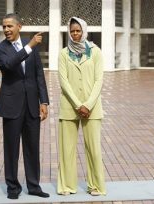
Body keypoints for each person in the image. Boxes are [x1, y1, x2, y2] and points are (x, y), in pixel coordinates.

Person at [0, 13, 50, 200]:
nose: (6, 30)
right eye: (4, 27)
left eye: (10, 26)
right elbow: (8, 65)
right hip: (11, 105)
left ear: (19, 26)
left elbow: (38, 74)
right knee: (11, 149)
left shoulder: (28, 44)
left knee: (32, 147)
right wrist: (30, 46)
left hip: (32, 105)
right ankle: (13, 188)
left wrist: (44, 101)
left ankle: (34, 186)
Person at [57, 17, 106, 196]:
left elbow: (99, 80)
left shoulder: (95, 52)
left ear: (84, 31)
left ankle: (96, 186)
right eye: (72, 31)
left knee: (93, 148)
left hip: (92, 108)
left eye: (78, 30)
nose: (75, 34)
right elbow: (63, 81)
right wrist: (78, 105)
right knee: (66, 149)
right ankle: (67, 186)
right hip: (69, 107)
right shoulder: (63, 53)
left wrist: (88, 104)